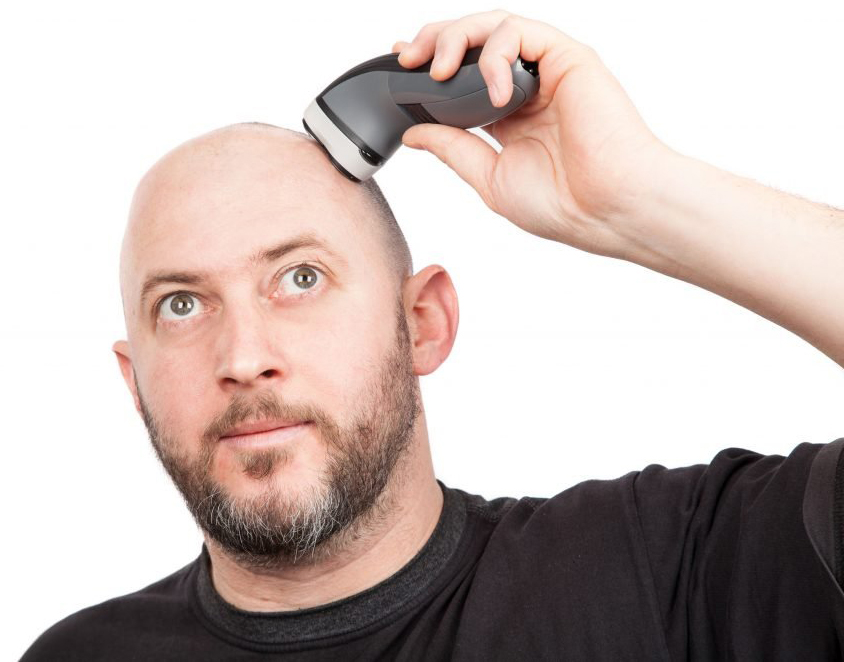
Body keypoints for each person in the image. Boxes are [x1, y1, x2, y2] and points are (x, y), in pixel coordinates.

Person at [20, 9, 844, 661]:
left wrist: (639, 199)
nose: (242, 357)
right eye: (181, 305)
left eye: (300, 278)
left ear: (423, 323)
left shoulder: (669, 572)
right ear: (134, 382)